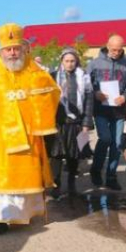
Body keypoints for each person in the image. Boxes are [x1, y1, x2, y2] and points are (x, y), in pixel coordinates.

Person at [0, 24, 60, 235]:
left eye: (16, 48)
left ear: (24, 48)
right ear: (1, 51)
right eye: (9, 49)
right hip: (0, 137)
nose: (13, 53)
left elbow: (52, 92)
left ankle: (25, 215)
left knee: (26, 175)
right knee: (2, 177)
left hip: (28, 133)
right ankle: (2, 218)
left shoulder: (34, 71)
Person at [89, 34, 126, 191]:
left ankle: (111, 176)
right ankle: (96, 170)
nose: (116, 52)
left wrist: (125, 96)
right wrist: (96, 93)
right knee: (105, 138)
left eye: (119, 50)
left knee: (117, 143)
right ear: (107, 46)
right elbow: (87, 83)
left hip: (118, 110)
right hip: (101, 109)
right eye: (113, 49)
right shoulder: (95, 64)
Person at [47, 48, 93, 199]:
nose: (70, 64)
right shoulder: (52, 77)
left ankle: (72, 184)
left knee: (75, 155)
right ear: (61, 62)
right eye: (67, 61)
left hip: (78, 123)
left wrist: (86, 123)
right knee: (56, 155)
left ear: (77, 62)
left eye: (72, 61)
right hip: (58, 123)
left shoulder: (84, 77)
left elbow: (89, 102)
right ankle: (56, 184)